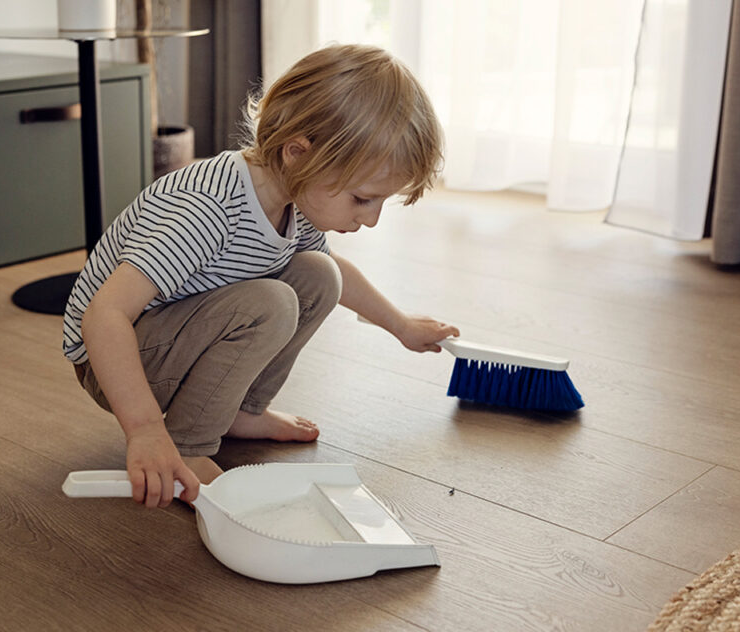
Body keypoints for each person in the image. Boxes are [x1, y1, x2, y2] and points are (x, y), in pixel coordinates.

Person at [62, 43, 459, 509]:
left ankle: (240, 412)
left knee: (320, 274)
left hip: (178, 337)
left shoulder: (296, 194)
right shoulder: (207, 208)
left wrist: (402, 326)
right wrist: (146, 430)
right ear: (297, 154)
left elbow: (337, 276)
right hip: (111, 360)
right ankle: (188, 443)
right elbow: (104, 316)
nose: (370, 220)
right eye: (362, 199)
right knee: (271, 302)